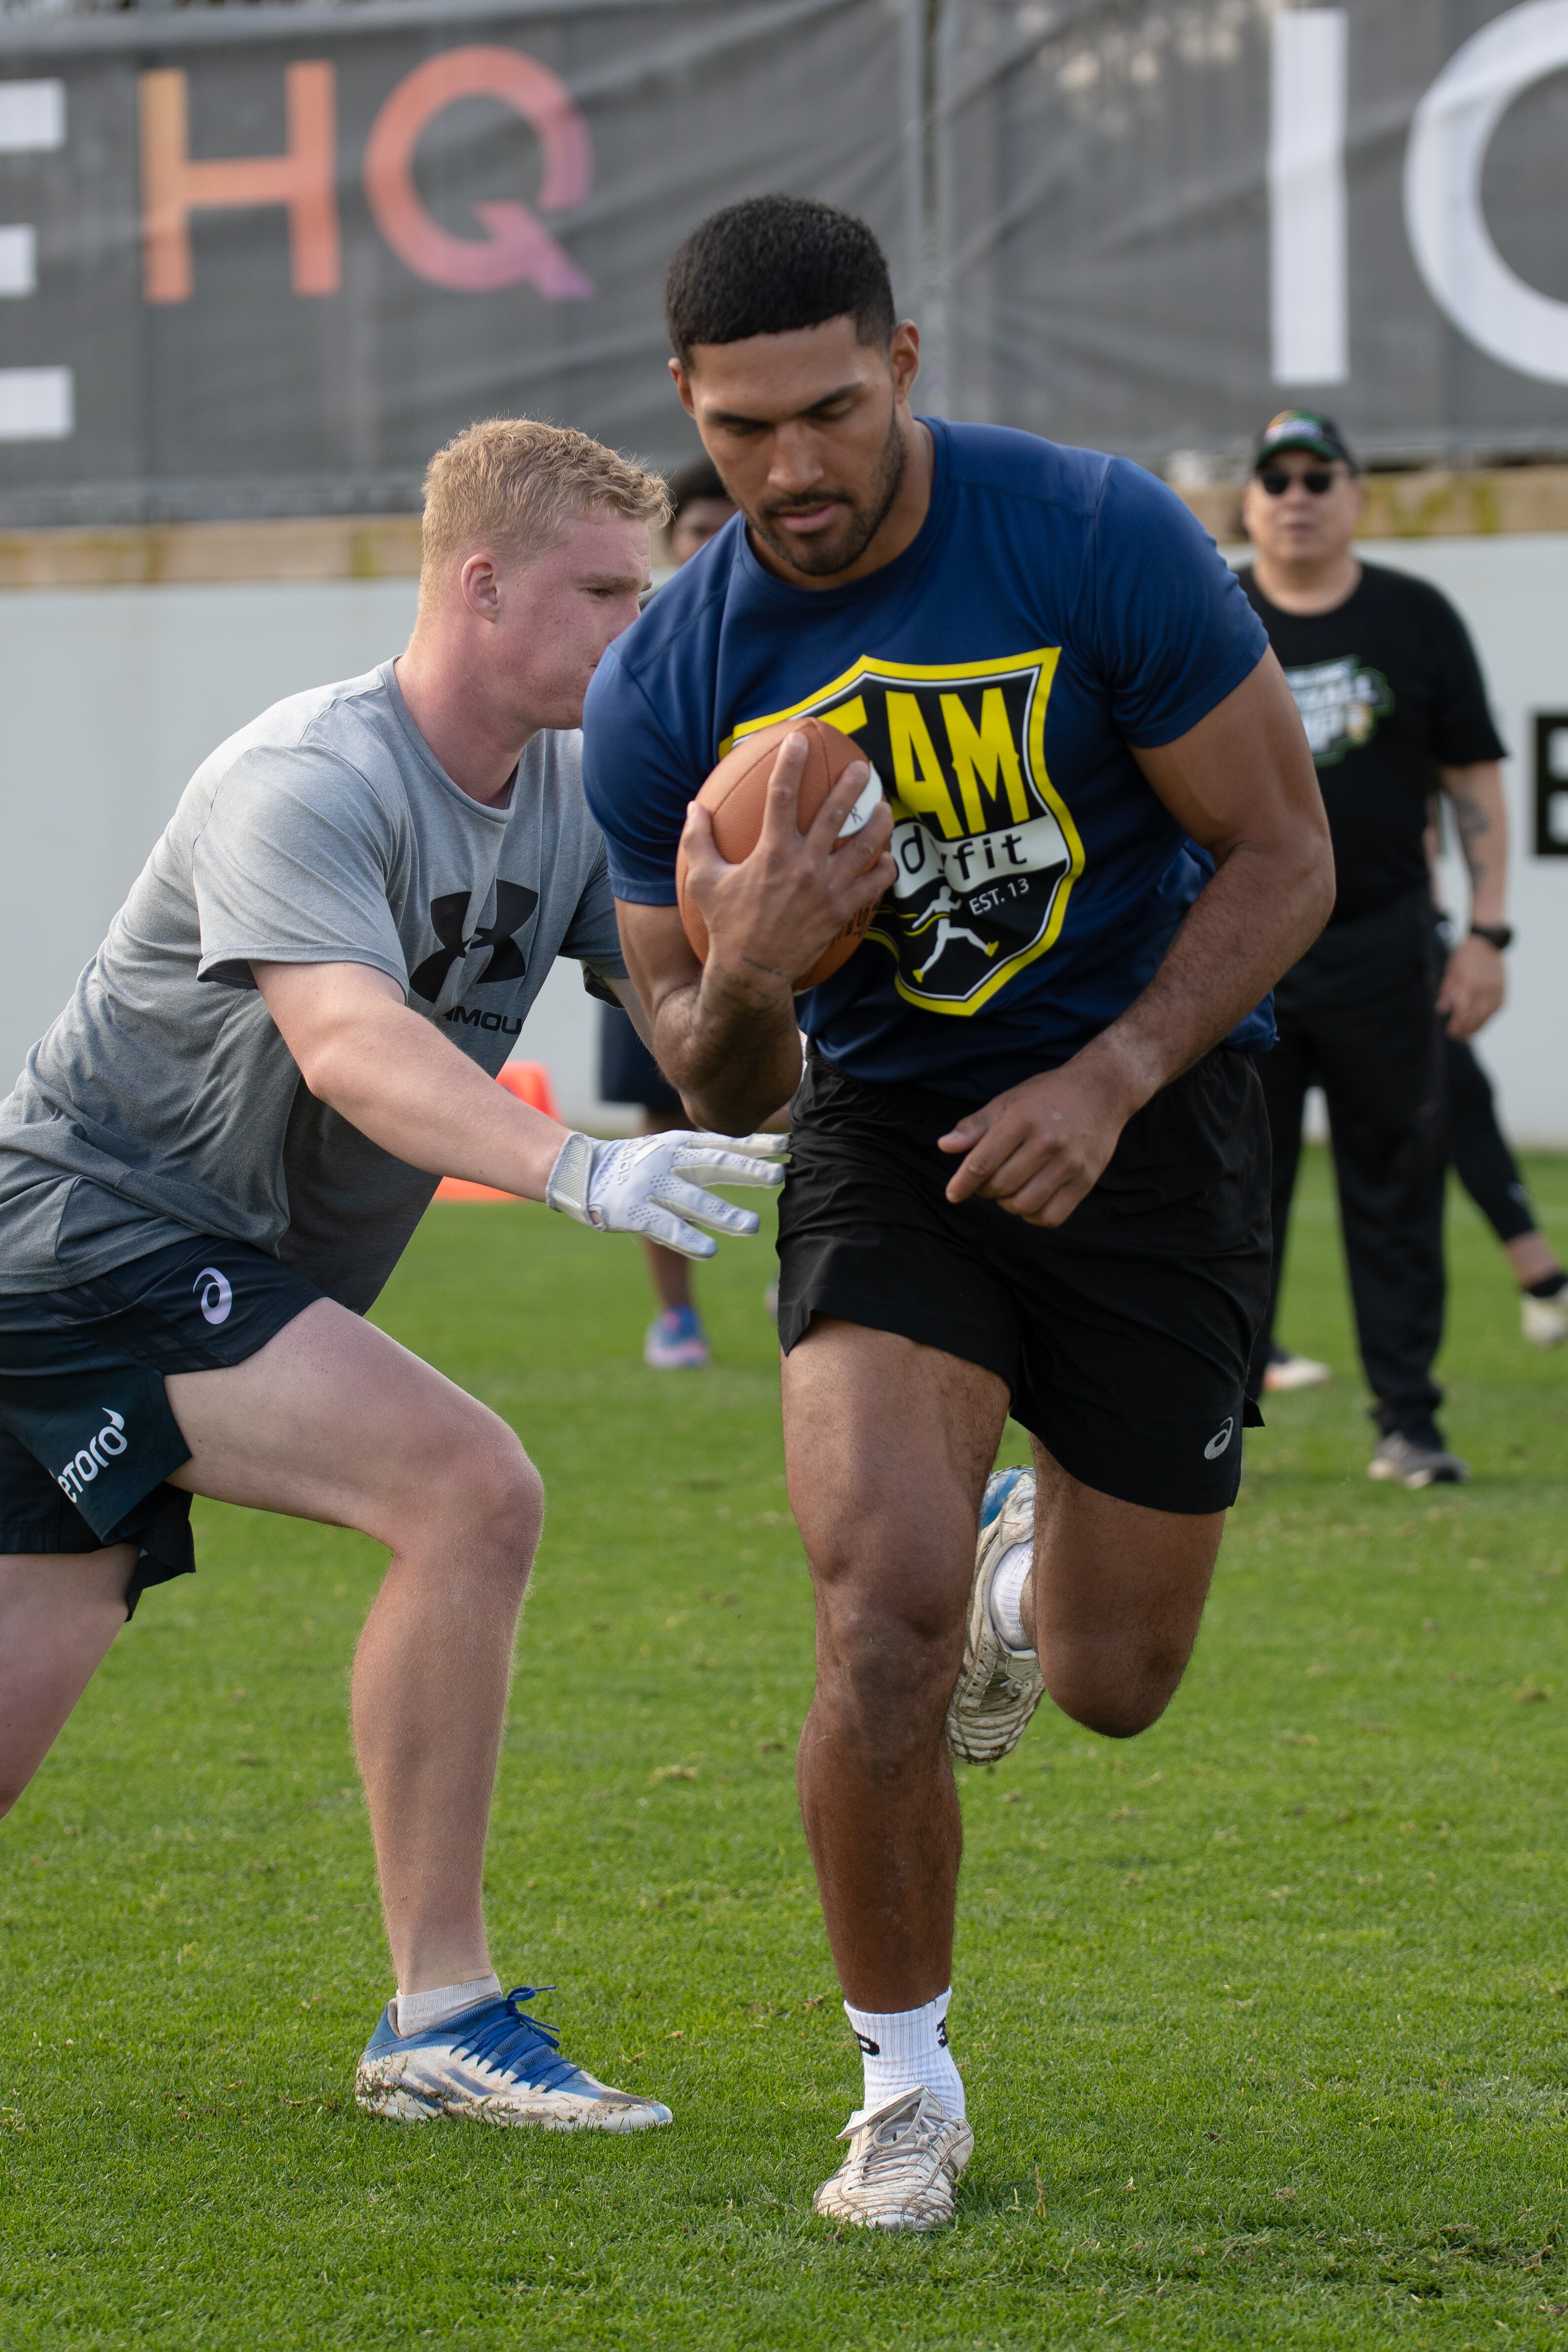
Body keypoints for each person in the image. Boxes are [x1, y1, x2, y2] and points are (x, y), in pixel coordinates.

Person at [581, 196, 1331, 2230]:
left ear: (902, 364)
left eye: (829, 411)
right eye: (742, 433)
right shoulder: (671, 679)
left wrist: (1102, 1075)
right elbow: (710, 1067)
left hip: (1141, 1130)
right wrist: (753, 971)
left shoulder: (1087, 536)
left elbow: (1278, 855)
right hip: (884, 1140)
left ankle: (1030, 1579)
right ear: (686, 410)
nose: (792, 470)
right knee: (870, 1618)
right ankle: (900, 2088)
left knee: (1108, 1679)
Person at [0, 418, 785, 2133]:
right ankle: (441, 2008)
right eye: (598, 593)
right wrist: (576, 1165)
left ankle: (435, 2010)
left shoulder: (580, 798)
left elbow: (705, 1049)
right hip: (88, 1239)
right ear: (480, 582)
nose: (630, 633)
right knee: (466, 1488)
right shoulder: (307, 774)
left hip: (174, 1273)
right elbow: (353, 1041)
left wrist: (776, 956)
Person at [1237, 410, 1513, 1488]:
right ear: (1247, 502)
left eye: (1318, 476)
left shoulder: (1414, 617)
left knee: (1396, 1185)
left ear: (1355, 494)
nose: (1296, 495)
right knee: (1224, 1192)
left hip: (1381, 948)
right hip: (1237, 954)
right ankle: (1217, 1420)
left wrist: (1486, 934)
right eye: (1275, 479)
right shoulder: (1210, 607)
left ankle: (1407, 1421)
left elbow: (1472, 784)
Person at [600, 456, 740, 1369]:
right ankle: (676, 1316)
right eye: (698, 532)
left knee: (823, 1105)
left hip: (774, 915)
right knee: (664, 1110)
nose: (716, 550)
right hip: (654, 906)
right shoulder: (636, 656)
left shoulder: (789, 639)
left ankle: (810, 1269)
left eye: (733, 531)